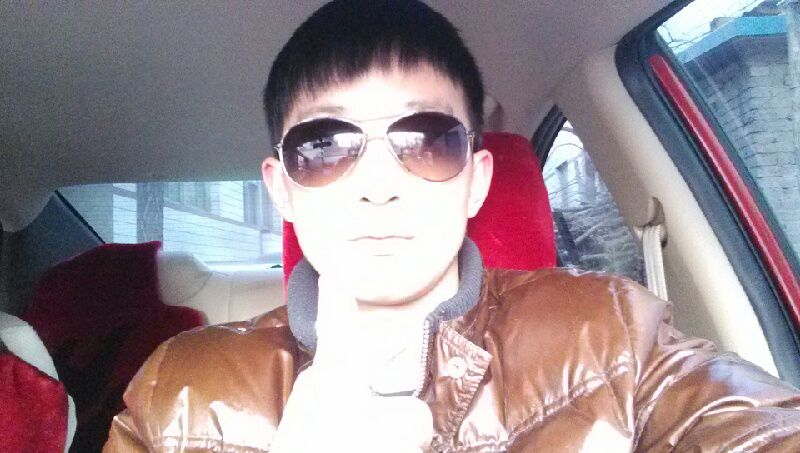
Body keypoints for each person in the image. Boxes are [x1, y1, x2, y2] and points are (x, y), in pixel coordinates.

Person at [104, 1, 800, 451]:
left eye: (426, 140)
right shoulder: (178, 393)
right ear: (281, 188)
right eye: (325, 146)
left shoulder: (614, 334)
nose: (378, 187)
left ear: (476, 180)